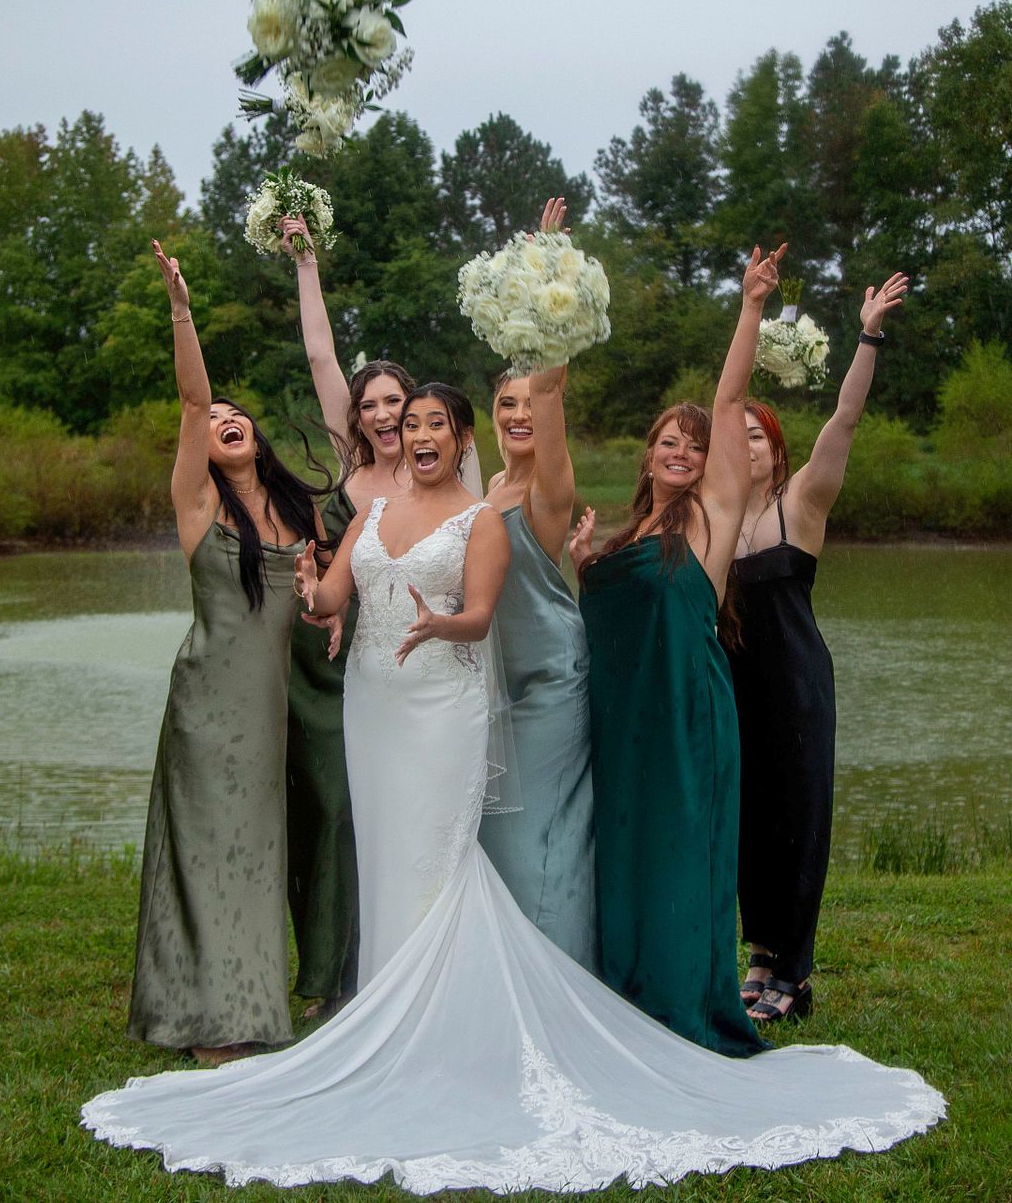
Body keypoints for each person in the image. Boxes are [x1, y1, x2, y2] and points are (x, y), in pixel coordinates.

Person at [83, 374, 942, 1190]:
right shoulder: (374, 510)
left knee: (443, 863)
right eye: (409, 423)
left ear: (455, 440)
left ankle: (455, 1031)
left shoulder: (489, 516)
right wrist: (315, 594)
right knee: (388, 862)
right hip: (376, 712)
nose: (418, 433)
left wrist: (439, 619)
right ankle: (391, 1021)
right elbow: (331, 599)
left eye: (432, 424)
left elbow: (482, 617)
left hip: (454, 707)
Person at [571, 246, 787, 1057]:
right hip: (628, 728)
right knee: (627, 854)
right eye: (668, 440)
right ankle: (627, 997)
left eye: (693, 447)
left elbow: (730, 401)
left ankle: (684, 1006)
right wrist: (584, 563)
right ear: (647, 452)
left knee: (680, 858)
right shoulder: (629, 533)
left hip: (688, 714)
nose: (681, 451)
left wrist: (751, 308)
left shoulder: (711, 519)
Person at [127, 240, 337, 1065]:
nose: (224, 419)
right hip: (207, 709)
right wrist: (182, 310)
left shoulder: (300, 513)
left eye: (234, 414)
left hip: (270, 713)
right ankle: (213, 1020)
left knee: (257, 856)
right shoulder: (197, 507)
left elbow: (316, 606)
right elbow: (190, 399)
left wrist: (334, 602)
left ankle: (249, 1007)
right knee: (210, 854)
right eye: (215, 422)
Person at [733, 273, 909, 1023]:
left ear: (775, 452)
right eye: (731, 436)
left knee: (799, 819)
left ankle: (794, 976)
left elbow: (843, 419)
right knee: (749, 818)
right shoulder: (714, 523)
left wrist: (867, 333)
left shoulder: (799, 504)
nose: (744, 448)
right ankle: (760, 954)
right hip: (737, 686)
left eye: (756, 437)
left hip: (798, 683)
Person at [276, 214, 416, 1013]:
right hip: (330, 657)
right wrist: (307, 263)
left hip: (410, 657)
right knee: (335, 809)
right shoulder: (351, 467)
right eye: (371, 404)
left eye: (395, 401)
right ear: (357, 417)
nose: (383, 414)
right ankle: (330, 973)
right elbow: (323, 353)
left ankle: (390, 968)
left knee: (395, 808)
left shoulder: (439, 470)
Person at [478, 199, 597, 970]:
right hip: (493, 691)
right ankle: (508, 994)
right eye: (505, 403)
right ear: (489, 416)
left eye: (528, 403)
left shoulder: (549, 494)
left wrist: (548, 264)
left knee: (539, 843)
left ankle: (563, 991)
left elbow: (552, 392)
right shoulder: (485, 484)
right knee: (494, 841)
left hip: (552, 682)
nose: (520, 413)